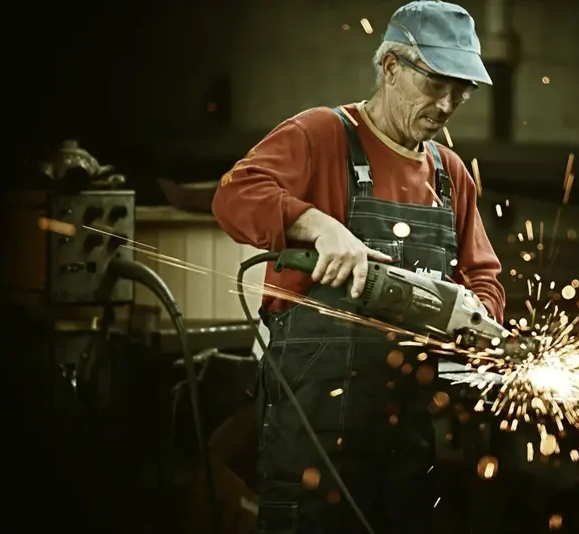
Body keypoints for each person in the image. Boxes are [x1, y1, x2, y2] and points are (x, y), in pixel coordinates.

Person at [212, 2, 505, 532]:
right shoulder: (323, 134)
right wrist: (319, 226)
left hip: (408, 444)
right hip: (312, 443)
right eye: (436, 83)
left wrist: (480, 319)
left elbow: (481, 275)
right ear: (391, 68)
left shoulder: (450, 174)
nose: (448, 104)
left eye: (461, 89)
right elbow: (234, 196)